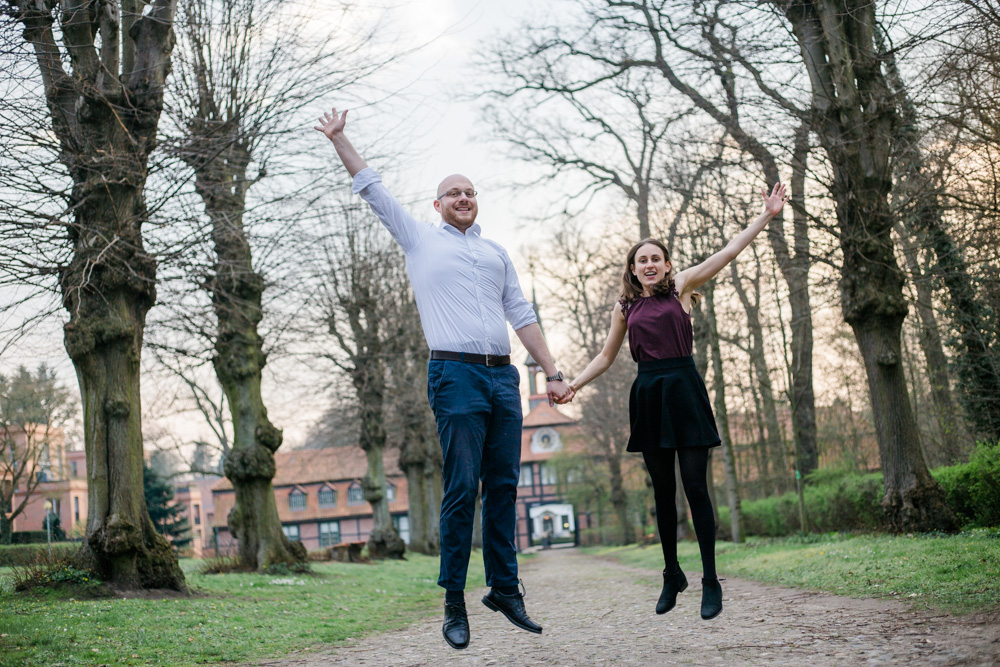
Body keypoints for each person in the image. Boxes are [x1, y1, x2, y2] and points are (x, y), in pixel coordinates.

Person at [315, 108, 573, 650]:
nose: (463, 197)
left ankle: (505, 588)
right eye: (453, 192)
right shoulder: (418, 239)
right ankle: (454, 603)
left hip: (503, 380)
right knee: (462, 488)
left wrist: (551, 372)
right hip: (453, 374)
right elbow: (372, 189)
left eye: (470, 192)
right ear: (437, 205)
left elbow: (522, 314)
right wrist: (342, 140)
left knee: (503, 487)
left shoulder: (496, 252)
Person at [561, 182, 788, 620]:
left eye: (654, 258)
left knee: (696, 487)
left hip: (684, 389)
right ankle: (671, 573)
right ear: (632, 268)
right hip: (648, 395)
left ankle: (709, 579)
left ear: (667, 265)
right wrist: (575, 384)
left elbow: (728, 251)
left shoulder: (681, 287)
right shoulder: (624, 308)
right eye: (640, 260)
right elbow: (607, 356)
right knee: (663, 494)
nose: (648, 265)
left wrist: (765, 217)